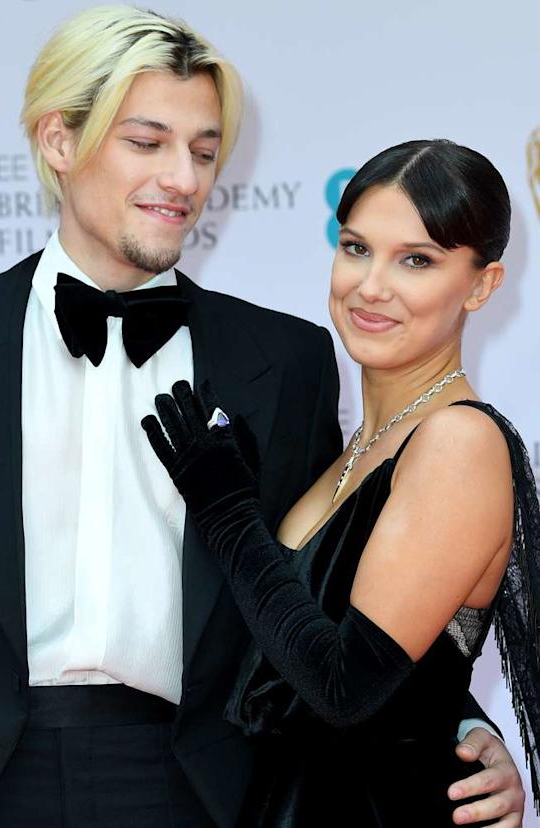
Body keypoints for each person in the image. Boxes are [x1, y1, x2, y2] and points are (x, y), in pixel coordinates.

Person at [0, 7, 524, 827]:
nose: (184, 178)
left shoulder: (288, 361)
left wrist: (454, 721)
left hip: (205, 786)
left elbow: (334, 607)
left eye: (204, 151)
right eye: (148, 141)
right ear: (59, 142)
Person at [143, 139, 539, 826]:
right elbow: (392, 673)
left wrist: (230, 516)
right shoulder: (356, 446)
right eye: (356, 247)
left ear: (482, 284)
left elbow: (344, 687)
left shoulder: (458, 442)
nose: (371, 285)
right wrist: (472, 726)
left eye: (416, 260)